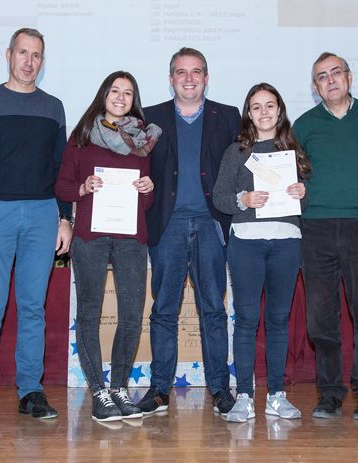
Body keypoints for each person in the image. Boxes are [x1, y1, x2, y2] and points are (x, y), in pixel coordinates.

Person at [0, 28, 72, 424]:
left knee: (33, 307)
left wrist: (65, 218)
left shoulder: (54, 107)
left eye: (36, 55)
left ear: (42, 61)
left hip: (42, 215)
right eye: (23, 52)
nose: (29, 61)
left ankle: (30, 391)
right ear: (9, 55)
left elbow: (60, 169)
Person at [136, 47, 241, 415]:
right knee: (164, 310)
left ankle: (220, 389)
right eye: (181, 72)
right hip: (168, 225)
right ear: (171, 79)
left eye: (196, 71)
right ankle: (159, 390)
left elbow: (242, 166)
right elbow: (135, 164)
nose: (189, 78)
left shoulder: (228, 116)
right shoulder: (150, 117)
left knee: (213, 309)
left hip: (211, 224)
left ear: (206, 78)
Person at [55, 71, 161, 422]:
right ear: (104, 95)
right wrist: (83, 188)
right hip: (90, 236)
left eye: (128, 93)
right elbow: (62, 187)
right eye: (115, 90)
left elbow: (146, 202)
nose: (120, 97)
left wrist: (148, 189)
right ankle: (99, 391)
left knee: (132, 313)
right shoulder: (82, 136)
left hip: (131, 237)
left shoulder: (142, 140)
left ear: (134, 100)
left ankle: (119, 388)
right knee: (89, 312)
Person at [292, 52, 358, 420]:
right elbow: (291, 177)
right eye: (321, 76)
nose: (330, 80)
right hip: (316, 230)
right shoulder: (303, 125)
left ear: (349, 77)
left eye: (335, 73)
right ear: (315, 87)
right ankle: (330, 393)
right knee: (321, 320)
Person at [213, 83, 310, 422]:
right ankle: (243, 396)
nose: (264, 112)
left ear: (279, 110)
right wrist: (243, 199)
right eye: (256, 107)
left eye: (270, 105)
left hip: (286, 241)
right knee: (246, 319)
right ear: (249, 114)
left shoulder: (294, 150)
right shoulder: (236, 151)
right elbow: (220, 198)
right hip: (247, 242)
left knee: (279, 320)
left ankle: (277, 396)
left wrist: (303, 192)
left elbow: (307, 199)